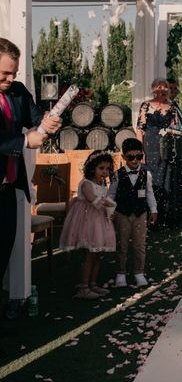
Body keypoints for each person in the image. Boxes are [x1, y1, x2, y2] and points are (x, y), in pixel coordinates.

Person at [0, 38, 61, 293]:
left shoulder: (18, 91)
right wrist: (26, 139)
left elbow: (37, 120)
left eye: (13, 72)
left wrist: (49, 124)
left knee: (3, 253)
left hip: (7, 190)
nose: (11, 78)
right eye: (4, 73)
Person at [59, 150, 117, 299]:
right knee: (90, 255)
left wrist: (110, 209)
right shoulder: (86, 183)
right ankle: (84, 287)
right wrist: (107, 202)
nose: (105, 172)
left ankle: (93, 284)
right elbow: (92, 198)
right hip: (87, 221)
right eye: (101, 168)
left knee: (97, 254)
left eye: (108, 169)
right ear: (92, 168)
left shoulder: (103, 183)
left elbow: (103, 201)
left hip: (99, 220)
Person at [107, 138, 158, 288]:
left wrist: (153, 210)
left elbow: (149, 193)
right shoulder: (117, 175)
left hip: (140, 213)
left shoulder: (146, 174)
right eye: (131, 157)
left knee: (139, 245)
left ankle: (139, 272)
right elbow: (111, 194)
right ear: (124, 157)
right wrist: (110, 212)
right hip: (122, 213)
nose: (135, 160)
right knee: (122, 245)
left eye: (139, 157)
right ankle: (120, 273)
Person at [136, 78, 182, 229]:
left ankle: (163, 218)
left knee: (166, 181)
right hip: (149, 147)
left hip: (166, 149)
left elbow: (177, 129)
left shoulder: (172, 107)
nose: (162, 89)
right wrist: (140, 151)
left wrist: (171, 133)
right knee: (151, 182)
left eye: (165, 87)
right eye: (158, 86)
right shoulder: (146, 105)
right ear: (153, 89)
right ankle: (149, 217)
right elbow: (139, 129)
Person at [167, 78, 182, 220]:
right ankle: (174, 212)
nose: (174, 92)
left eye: (175, 89)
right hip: (172, 148)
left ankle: (180, 209)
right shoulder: (165, 107)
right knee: (173, 181)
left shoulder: (175, 105)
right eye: (171, 89)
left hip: (180, 148)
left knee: (180, 180)